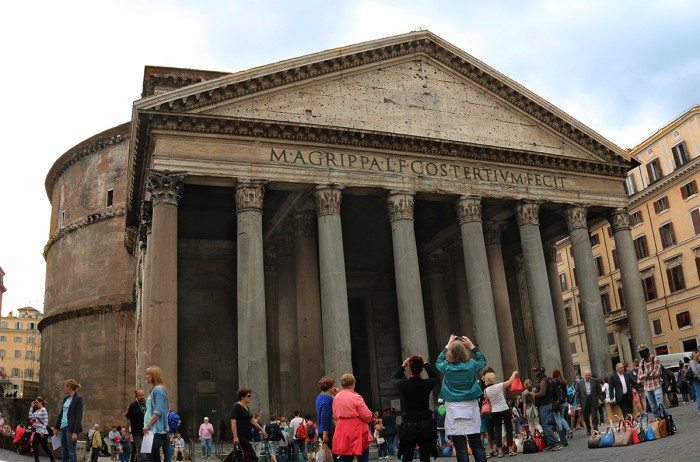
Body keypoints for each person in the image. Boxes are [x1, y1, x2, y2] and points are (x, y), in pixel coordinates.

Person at [435, 334, 487, 462]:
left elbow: (438, 362)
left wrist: (447, 345)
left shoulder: (446, 367)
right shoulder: (471, 365)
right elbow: (483, 361)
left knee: (460, 448)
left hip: (453, 407)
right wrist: (472, 347)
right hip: (471, 405)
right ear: (464, 351)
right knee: (477, 445)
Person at [391, 355, 438, 462]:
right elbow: (434, 378)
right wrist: (426, 364)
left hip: (409, 425)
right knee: (425, 457)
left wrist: (403, 366)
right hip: (425, 424)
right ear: (421, 369)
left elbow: (393, 378)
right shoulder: (426, 384)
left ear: (409, 370)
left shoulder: (403, 385)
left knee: (407, 456)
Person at [331, 373, 372, 462]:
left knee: (345, 456)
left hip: (341, 430)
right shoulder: (356, 397)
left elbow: (334, 415)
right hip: (357, 430)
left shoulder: (336, 397)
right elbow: (366, 416)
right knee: (363, 454)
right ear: (353, 383)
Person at [483, 370, 518, 457]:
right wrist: (514, 373)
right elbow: (510, 381)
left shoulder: (485, 390)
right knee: (509, 429)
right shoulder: (499, 386)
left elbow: (487, 401)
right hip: (504, 409)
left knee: (498, 431)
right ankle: (510, 450)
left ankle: (499, 452)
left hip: (494, 412)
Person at [142, 366, 171, 462]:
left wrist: (147, 425)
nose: (146, 376)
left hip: (156, 430)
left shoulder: (158, 390)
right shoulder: (154, 390)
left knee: (146, 455)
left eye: (148, 374)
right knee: (153, 456)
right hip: (153, 430)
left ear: (154, 376)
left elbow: (158, 411)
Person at [531, 367, 563, 451]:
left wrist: (534, 394)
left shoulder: (543, 381)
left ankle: (556, 443)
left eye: (536, 371)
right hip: (545, 405)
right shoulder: (544, 379)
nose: (535, 373)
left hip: (545, 405)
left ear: (540, 372)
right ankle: (551, 443)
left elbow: (542, 393)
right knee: (545, 424)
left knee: (545, 425)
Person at [231, 387, 266, 460]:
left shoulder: (247, 408)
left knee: (246, 457)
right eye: (248, 396)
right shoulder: (236, 406)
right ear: (242, 397)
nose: (250, 398)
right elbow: (233, 422)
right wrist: (235, 436)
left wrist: (262, 430)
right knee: (253, 456)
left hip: (247, 436)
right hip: (241, 436)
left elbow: (252, 420)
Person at [53, 378, 84, 462]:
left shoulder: (78, 399)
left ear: (69, 387)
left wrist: (75, 432)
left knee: (71, 452)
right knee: (64, 452)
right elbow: (61, 414)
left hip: (71, 429)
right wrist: (56, 427)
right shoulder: (65, 398)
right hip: (63, 428)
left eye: (65, 387)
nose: (64, 389)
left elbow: (78, 416)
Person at [636, 344, 669, 417]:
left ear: (647, 351)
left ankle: (669, 421)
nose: (642, 354)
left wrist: (645, 375)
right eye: (640, 353)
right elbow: (639, 377)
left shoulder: (655, 359)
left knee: (660, 406)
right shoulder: (641, 363)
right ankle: (659, 422)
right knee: (653, 408)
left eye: (643, 352)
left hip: (657, 385)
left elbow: (656, 373)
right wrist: (648, 374)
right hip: (647, 387)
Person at [574, 370, 602, 435]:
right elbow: (577, 393)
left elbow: (599, 391)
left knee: (594, 415)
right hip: (584, 402)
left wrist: (601, 399)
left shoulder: (595, 381)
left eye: (589, 375)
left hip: (593, 400)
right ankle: (588, 428)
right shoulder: (579, 383)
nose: (588, 376)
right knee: (586, 417)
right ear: (584, 375)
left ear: (591, 375)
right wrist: (578, 403)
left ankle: (595, 429)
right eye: (586, 375)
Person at [29, 397, 56, 462]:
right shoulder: (38, 411)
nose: (35, 404)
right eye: (35, 402)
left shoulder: (43, 410)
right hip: (38, 431)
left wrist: (43, 431)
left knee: (45, 447)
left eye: (36, 402)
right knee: (34, 445)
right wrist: (31, 407)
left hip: (43, 432)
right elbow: (30, 417)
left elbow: (46, 421)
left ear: (41, 402)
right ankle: (37, 460)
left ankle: (52, 460)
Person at [315, 376, 337, 453]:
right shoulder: (328, 399)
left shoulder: (319, 397)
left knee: (327, 454)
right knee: (334, 454)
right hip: (328, 430)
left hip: (321, 429)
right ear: (330, 387)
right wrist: (325, 433)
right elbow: (325, 416)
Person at [550, 369, 571, 441]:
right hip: (563, 402)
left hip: (557, 403)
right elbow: (566, 393)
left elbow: (552, 393)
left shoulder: (554, 382)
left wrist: (553, 401)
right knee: (562, 418)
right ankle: (568, 429)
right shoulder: (563, 381)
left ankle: (561, 433)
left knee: (557, 419)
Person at [126, 389, 147, 462]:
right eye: (140, 395)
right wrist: (127, 433)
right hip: (136, 433)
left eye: (143, 395)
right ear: (136, 396)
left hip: (146, 432)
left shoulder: (147, 404)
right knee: (141, 452)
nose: (142, 397)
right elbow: (128, 419)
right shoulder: (132, 406)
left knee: (145, 452)